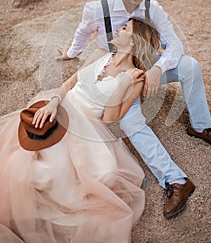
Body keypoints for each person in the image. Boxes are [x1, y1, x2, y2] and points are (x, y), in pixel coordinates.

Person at [56, 0, 211, 219]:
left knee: (190, 66)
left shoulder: (153, 9)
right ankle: (177, 181)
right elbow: (83, 32)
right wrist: (71, 53)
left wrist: (156, 69)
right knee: (131, 122)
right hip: (119, 75)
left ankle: (200, 126)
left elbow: (175, 45)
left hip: (149, 66)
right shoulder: (96, 9)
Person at [0, 18, 163, 243]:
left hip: (88, 125)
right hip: (61, 107)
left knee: (74, 176)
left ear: (134, 42)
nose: (118, 28)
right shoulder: (102, 54)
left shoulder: (136, 77)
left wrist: (123, 84)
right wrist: (53, 103)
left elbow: (109, 118)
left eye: (125, 28)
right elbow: (70, 83)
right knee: (23, 159)